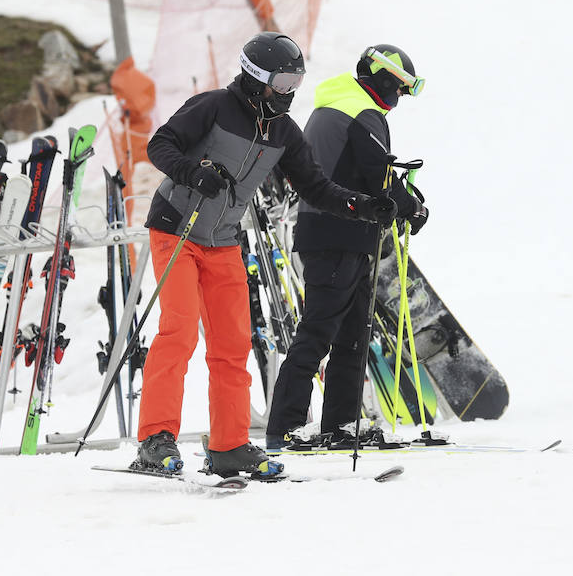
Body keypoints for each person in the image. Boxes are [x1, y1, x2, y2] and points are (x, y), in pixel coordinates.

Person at [135, 32, 396, 479]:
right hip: (177, 229)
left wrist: (363, 205)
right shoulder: (213, 106)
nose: (290, 91)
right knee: (179, 331)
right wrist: (192, 172)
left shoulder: (283, 132)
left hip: (222, 240)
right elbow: (160, 144)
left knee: (232, 345)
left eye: (296, 80)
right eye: (283, 81)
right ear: (257, 78)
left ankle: (230, 446)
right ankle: (155, 439)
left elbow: (315, 186)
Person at [265, 45, 429, 449]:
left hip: (345, 235)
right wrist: (413, 208)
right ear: (384, 79)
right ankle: (285, 426)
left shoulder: (335, 106)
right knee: (320, 332)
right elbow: (378, 177)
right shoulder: (361, 111)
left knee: (353, 333)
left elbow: (365, 171)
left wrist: (401, 198)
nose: (400, 99)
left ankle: (341, 423)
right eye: (401, 89)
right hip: (336, 235)